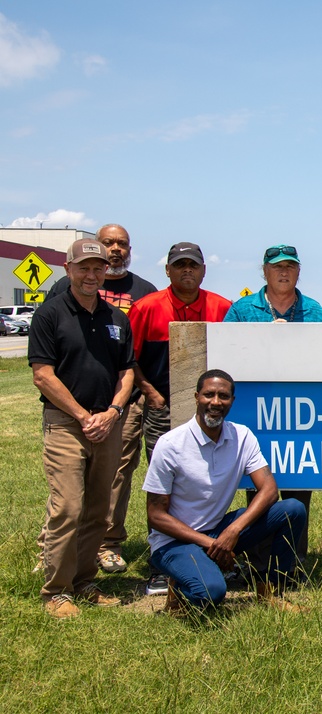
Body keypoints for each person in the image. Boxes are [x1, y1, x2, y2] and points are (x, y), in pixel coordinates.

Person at [27, 239, 135, 618]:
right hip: (66, 424)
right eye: (84, 268)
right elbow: (43, 375)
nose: (91, 275)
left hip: (108, 423)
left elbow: (126, 372)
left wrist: (113, 411)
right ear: (68, 269)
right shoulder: (49, 315)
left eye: (98, 268)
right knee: (68, 507)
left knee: (97, 511)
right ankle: (55, 590)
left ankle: (84, 581)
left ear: (106, 271)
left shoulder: (116, 318)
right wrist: (82, 415)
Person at [143, 369, 306, 612]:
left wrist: (232, 531)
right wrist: (210, 543)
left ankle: (270, 591)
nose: (216, 402)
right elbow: (156, 516)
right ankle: (177, 591)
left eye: (224, 396)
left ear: (232, 401)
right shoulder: (171, 445)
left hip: (220, 530)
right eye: (209, 395)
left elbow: (269, 489)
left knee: (292, 510)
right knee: (212, 592)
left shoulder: (241, 436)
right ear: (197, 397)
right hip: (175, 542)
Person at [46, 224, 157, 574]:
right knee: (68, 494)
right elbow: (45, 365)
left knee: (111, 482)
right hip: (71, 411)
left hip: (121, 405)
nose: (115, 249)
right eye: (108, 243)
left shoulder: (139, 294)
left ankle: (102, 551)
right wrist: (80, 413)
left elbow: (131, 360)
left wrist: (118, 406)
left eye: (122, 244)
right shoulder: (60, 297)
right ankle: (53, 565)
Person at [129, 241, 232, 596]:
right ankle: (164, 562)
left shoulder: (221, 307)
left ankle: (207, 551)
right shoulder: (146, 307)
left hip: (214, 411)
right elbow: (131, 358)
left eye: (193, 265)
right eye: (180, 265)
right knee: (167, 488)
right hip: (164, 409)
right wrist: (148, 391)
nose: (187, 270)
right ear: (168, 270)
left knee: (206, 484)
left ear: (203, 270)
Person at [225, 244, 322, 562]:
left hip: (301, 415)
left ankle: (292, 560)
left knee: (299, 488)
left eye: (290, 267)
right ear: (265, 271)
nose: (284, 272)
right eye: (277, 267)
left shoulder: (314, 311)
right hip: (258, 415)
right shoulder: (242, 310)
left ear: (298, 272)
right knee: (259, 488)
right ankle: (257, 558)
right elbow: (227, 356)